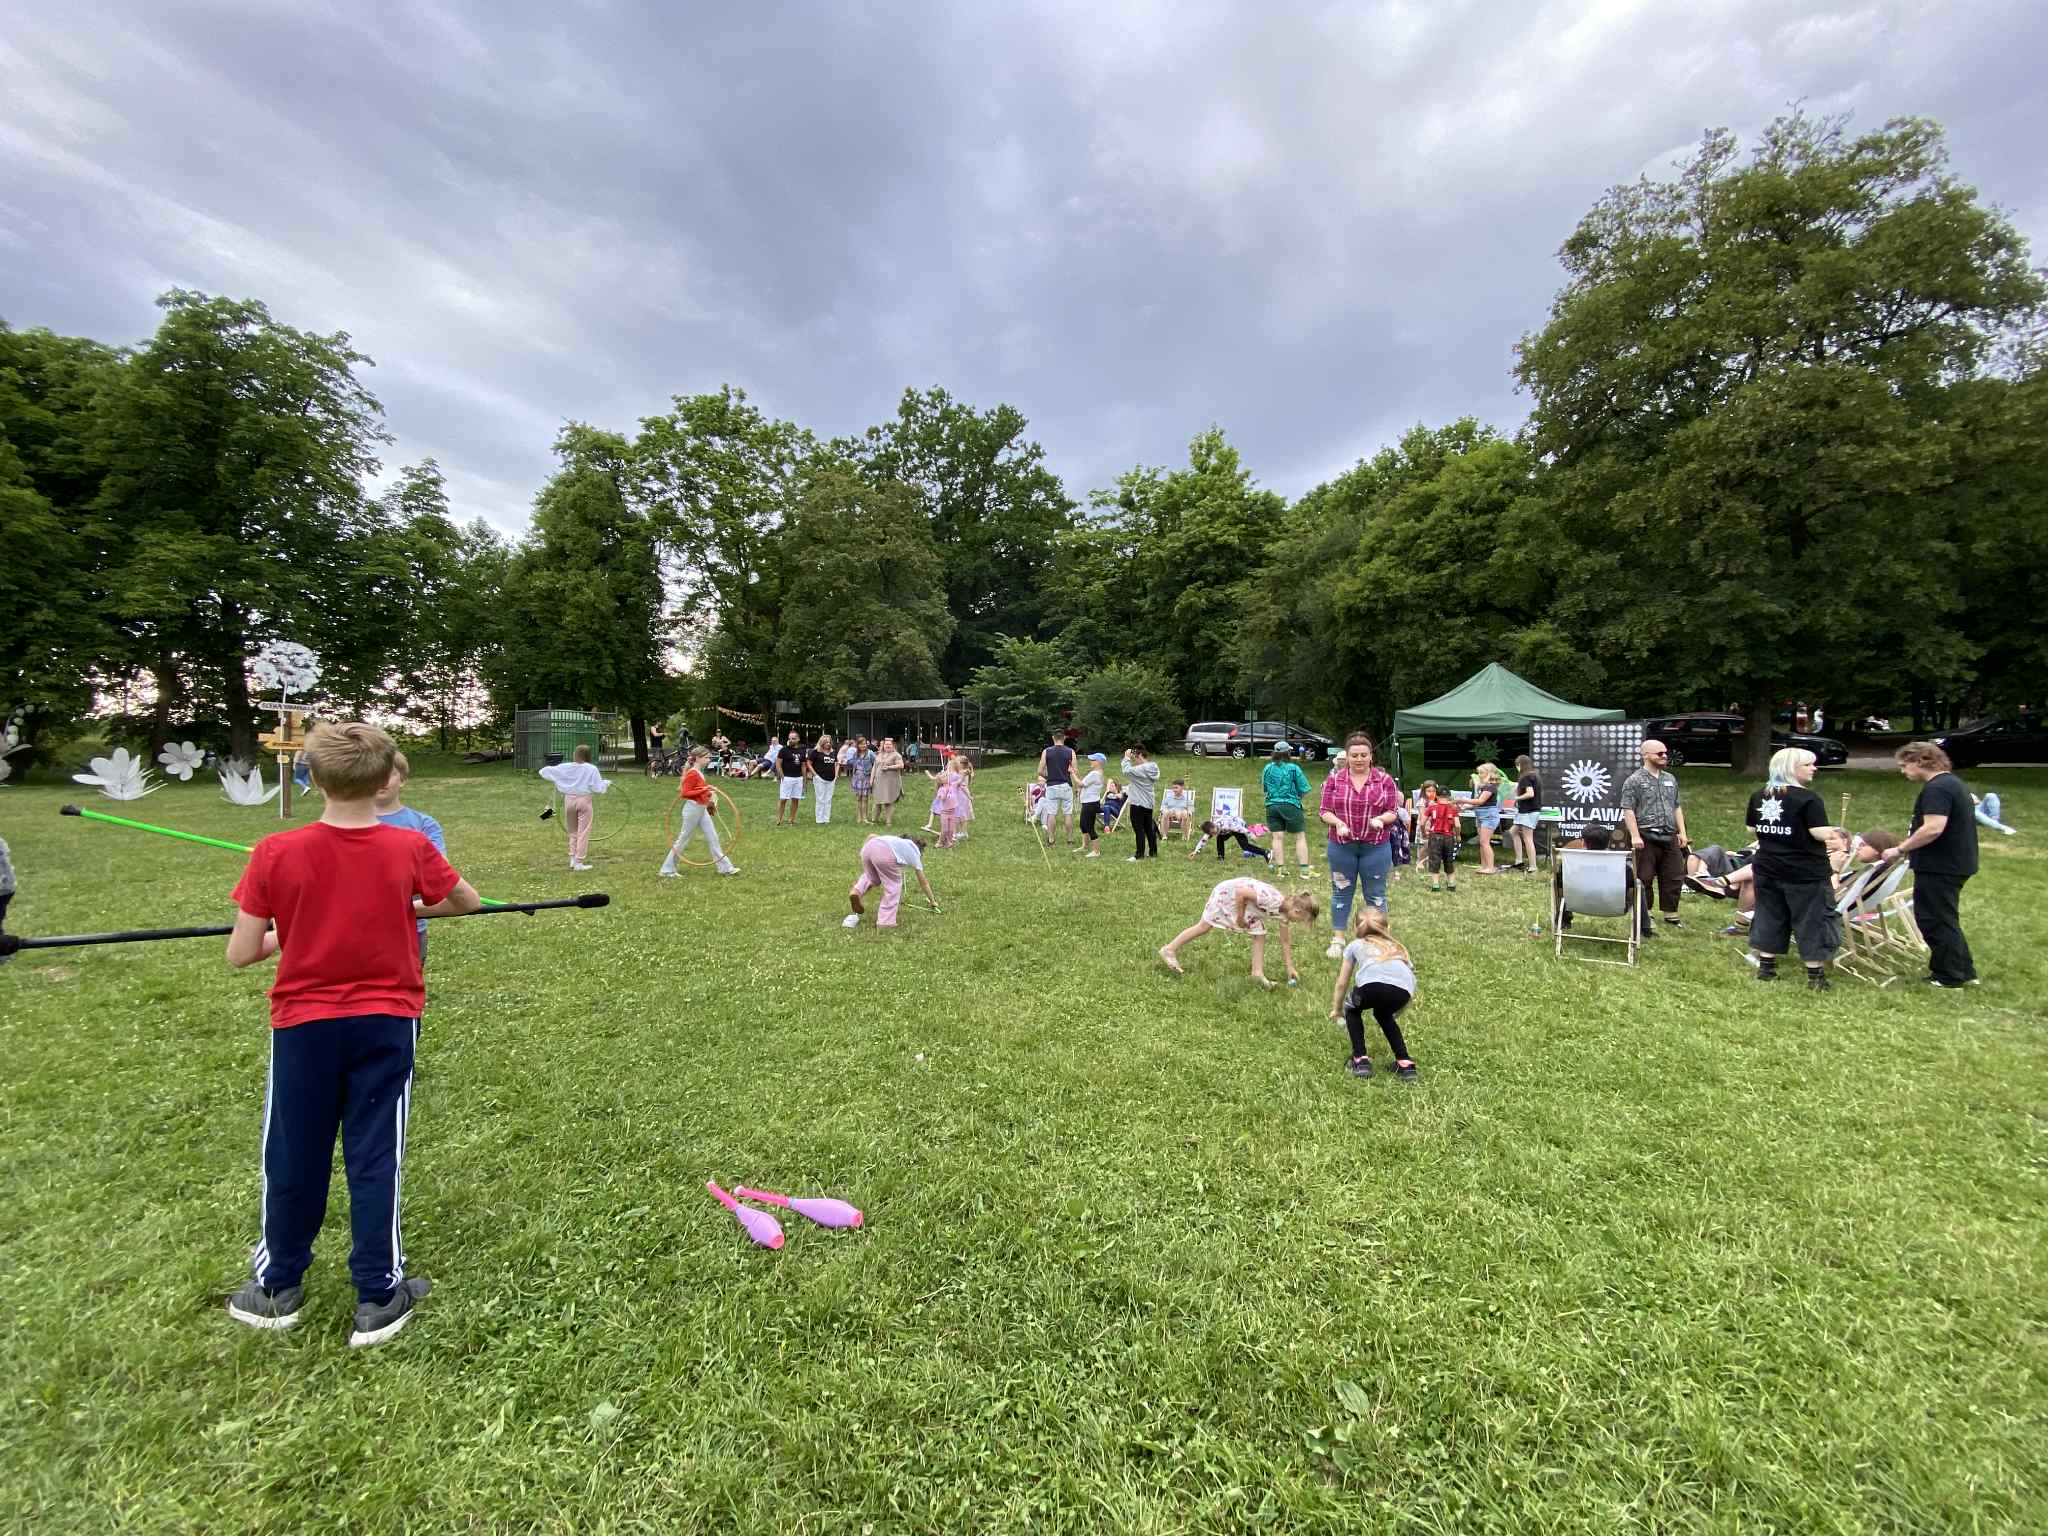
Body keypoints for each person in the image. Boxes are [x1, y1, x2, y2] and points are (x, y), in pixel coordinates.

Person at [224, 722, 482, 1346]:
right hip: (386, 1022)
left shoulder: (274, 851)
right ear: (385, 776)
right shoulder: (409, 847)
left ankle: (276, 1287)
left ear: (312, 778)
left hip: (304, 1027)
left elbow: (241, 952)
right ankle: (377, 1295)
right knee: (374, 1152)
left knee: (293, 1151)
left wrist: (289, 930)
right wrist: (404, 904)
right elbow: (466, 902)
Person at [1881, 741, 1980, 988]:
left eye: (1904, 765)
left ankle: (1948, 976)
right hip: (1953, 862)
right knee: (1945, 917)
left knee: (1934, 919)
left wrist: (1900, 849)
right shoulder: (1952, 783)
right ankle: (1963, 970)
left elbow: (1933, 828)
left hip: (1941, 864)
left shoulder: (1938, 788)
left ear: (1920, 761)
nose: (1902, 771)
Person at [1745, 748, 1843, 989]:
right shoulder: (1808, 799)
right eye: (1808, 764)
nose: (1814, 768)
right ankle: (1815, 976)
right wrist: (1833, 833)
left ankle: (1766, 968)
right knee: (1812, 920)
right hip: (1804, 872)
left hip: (1767, 867)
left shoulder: (1759, 795)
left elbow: (1751, 829)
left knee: (1769, 915)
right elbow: (1818, 833)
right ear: (1791, 768)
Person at [1317, 731, 1401, 958]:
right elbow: (1324, 811)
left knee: (1376, 894)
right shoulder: (1334, 780)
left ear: (1371, 756)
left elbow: (1393, 811)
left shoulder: (1385, 780)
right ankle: (1338, 939)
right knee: (1341, 891)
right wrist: (1338, 823)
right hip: (1341, 845)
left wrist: (1381, 819)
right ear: (1347, 757)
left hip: (1376, 846)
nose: (1359, 759)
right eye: (1354, 755)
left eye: (1364, 755)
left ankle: (1379, 939)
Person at [1158, 877, 1319, 987]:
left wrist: (1290, 967)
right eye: (1301, 920)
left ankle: (1257, 974)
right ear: (1297, 911)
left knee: (1260, 933)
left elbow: (1285, 941)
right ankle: (1169, 949)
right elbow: (1241, 893)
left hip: (1246, 904)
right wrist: (1240, 918)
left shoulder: (1284, 913)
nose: (1298, 923)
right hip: (1228, 894)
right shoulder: (1270, 899)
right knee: (1204, 926)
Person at [1328, 906, 1419, 1081]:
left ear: (1355, 928)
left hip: (1371, 987)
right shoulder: (1397, 947)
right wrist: (1398, 1009)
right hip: (1403, 991)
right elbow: (1410, 979)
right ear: (1387, 928)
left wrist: (1337, 1009)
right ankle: (1405, 1064)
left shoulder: (1355, 945)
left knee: (1353, 1010)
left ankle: (1360, 1060)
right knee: (1384, 1016)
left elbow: (1342, 983)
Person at [373, 750, 445, 963]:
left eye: (389, 774)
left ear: (402, 779)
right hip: (358, 928)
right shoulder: (347, 823)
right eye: (374, 773)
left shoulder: (424, 824)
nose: (381, 781)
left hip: (411, 928)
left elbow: (438, 877)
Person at [1618, 738, 1690, 937]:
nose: (1665, 756)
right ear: (1646, 755)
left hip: (1669, 835)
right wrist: (1635, 836)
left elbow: (1676, 806)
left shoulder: (1670, 779)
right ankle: (1646, 914)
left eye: (1665, 752)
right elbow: (1628, 809)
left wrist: (1682, 832)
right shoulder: (1634, 780)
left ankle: (1671, 914)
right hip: (1646, 835)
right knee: (1645, 877)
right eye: (1660, 753)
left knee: (1674, 875)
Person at [659, 745, 739, 877]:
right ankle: (667, 870)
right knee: (683, 839)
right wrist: (704, 789)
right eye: (706, 757)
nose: (709, 759)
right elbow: (685, 793)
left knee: (713, 837)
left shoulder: (699, 772)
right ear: (697, 758)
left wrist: (709, 799)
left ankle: (725, 868)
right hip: (692, 810)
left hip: (701, 809)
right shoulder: (692, 773)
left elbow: (699, 791)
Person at [539, 745, 610, 872]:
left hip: (569, 801)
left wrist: (559, 778)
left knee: (572, 831)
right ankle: (578, 863)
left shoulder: (565, 767)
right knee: (583, 832)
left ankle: (573, 859)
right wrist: (606, 783)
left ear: (575, 754)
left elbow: (544, 771)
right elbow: (597, 788)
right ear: (588, 755)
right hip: (584, 801)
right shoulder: (591, 768)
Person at [846, 834, 936, 928]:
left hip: (868, 848)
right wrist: (932, 901)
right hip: (884, 855)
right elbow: (923, 882)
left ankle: (856, 891)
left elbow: (871, 836)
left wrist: (864, 850)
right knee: (894, 885)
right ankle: (885, 921)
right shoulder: (914, 852)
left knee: (871, 877)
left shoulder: (895, 841)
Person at [1261, 742, 1314, 880]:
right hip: (1291, 804)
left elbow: (1265, 788)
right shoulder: (1293, 768)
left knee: (1277, 837)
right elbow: (1304, 788)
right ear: (1288, 753)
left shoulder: (1267, 768)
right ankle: (1304, 870)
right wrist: (1297, 798)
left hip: (1272, 806)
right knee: (1300, 836)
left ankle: (1281, 869)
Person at [1456, 764, 1504, 874]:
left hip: (1489, 817)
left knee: (1484, 842)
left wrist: (1463, 800)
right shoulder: (1483, 787)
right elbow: (1477, 803)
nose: (1479, 775)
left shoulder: (1490, 787)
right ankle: (1484, 866)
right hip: (1480, 816)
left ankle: (1490, 867)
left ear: (1489, 773)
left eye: (1481, 773)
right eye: (1479, 773)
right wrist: (1464, 807)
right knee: (1482, 843)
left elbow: (1480, 801)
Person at [1035, 732, 1078, 848]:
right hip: (1066, 785)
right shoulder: (1071, 752)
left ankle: (1051, 840)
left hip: (1052, 785)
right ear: (1064, 738)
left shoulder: (1046, 751)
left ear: (1053, 738)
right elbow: (1075, 770)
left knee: (1051, 813)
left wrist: (1048, 777)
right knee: (1068, 813)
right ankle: (1070, 840)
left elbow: (1039, 770)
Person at [1120, 745, 1162, 861]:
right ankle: (1153, 852)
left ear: (1139, 755)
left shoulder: (1140, 769)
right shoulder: (1154, 767)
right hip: (1149, 803)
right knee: (1149, 828)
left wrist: (1126, 757)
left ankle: (1139, 855)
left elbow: (1126, 771)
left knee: (1139, 830)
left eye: (1135, 758)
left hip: (1137, 804)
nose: (1134, 761)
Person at [1418, 780, 1460, 893]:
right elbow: (1457, 825)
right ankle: (1451, 884)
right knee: (1449, 860)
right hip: (1448, 836)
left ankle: (1436, 885)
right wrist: (1458, 836)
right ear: (1449, 796)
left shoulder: (1432, 808)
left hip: (1434, 836)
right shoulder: (1453, 808)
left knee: (1434, 860)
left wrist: (1424, 833)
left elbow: (1422, 823)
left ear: (1436, 795)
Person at [1191, 804, 1267, 862]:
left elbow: (1240, 828)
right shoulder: (1210, 830)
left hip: (1238, 825)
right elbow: (1203, 841)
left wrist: (1251, 835)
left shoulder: (1225, 824)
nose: (1214, 834)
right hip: (1228, 831)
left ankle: (1265, 852)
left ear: (1214, 826)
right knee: (1220, 838)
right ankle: (1221, 856)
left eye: (1214, 832)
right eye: (1212, 834)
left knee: (1245, 846)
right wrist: (1195, 852)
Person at [1508, 754, 1543, 871]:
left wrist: (1516, 798)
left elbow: (1530, 793)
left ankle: (1533, 866)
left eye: (1517, 765)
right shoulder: (1534, 776)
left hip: (1528, 811)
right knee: (1513, 831)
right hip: (1529, 810)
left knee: (1528, 838)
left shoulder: (1525, 777)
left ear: (1520, 765)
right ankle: (1519, 861)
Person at [925, 752, 967, 848]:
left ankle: (948, 842)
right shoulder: (942, 789)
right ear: (941, 780)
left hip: (952, 812)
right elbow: (942, 798)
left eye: (946, 775)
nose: (947, 776)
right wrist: (944, 795)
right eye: (944, 776)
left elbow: (960, 781)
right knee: (944, 829)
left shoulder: (953, 785)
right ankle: (940, 842)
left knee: (951, 830)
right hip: (945, 812)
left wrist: (964, 775)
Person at [872, 737, 906, 828]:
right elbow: (874, 767)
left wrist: (889, 767)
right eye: (886, 744)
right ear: (883, 746)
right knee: (877, 801)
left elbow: (901, 765)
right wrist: (871, 779)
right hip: (878, 781)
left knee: (888, 801)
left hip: (890, 782)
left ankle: (888, 822)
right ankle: (874, 820)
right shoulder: (879, 754)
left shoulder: (896, 755)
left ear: (892, 745)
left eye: (889, 744)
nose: (887, 746)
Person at [1077, 752, 1107, 857]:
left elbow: (1081, 784)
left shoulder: (1095, 774)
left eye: (1093, 760)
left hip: (1090, 803)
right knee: (1083, 825)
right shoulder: (1098, 773)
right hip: (1089, 802)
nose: (1090, 761)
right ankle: (1085, 846)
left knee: (1089, 827)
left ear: (1098, 762)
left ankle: (1096, 851)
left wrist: (1072, 773)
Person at [776, 731, 807, 827]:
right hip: (787, 778)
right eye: (789, 738)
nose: (791, 740)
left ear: (798, 739)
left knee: (795, 799)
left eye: (793, 738)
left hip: (798, 778)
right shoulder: (784, 750)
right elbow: (778, 763)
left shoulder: (802, 751)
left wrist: (804, 779)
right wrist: (782, 776)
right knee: (783, 799)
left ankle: (791, 819)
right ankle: (779, 819)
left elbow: (803, 766)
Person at [808, 733, 840, 825]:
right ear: (822, 743)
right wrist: (815, 775)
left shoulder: (833, 752)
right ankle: (819, 819)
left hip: (831, 779)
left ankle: (826, 819)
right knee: (820, 799)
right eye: (826, 742)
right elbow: (808, 763)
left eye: (829, 742)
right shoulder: (816, 752)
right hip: (820, 779)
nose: (828, 744)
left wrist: (836, 775)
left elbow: (837, 763)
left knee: (828, 799)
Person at [850, 737, 877, 824]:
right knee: (858, 798)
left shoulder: (870, 753)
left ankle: (865, 818)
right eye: (861, 744)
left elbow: (876, 763)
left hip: (866, 778)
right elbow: (853, 764)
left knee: (865, 798)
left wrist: (873, 776)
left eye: (864, 744)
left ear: (867, 744)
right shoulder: (855, 754)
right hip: (857, 778)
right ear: (858, 745)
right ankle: (859, 817)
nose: (863, 745)